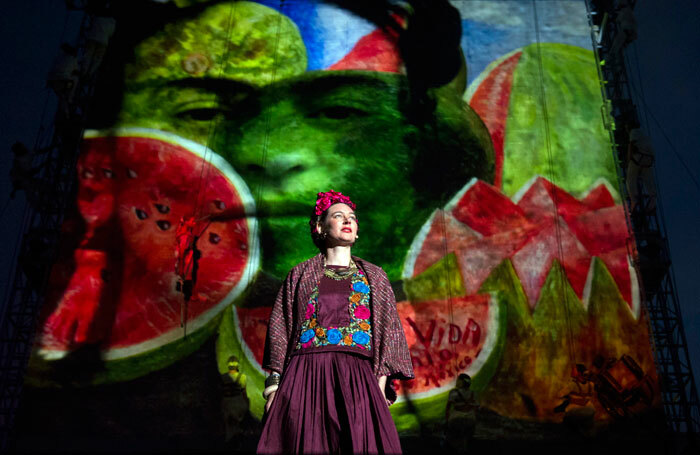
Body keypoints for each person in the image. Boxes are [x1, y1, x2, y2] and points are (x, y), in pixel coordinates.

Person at [256, 190, 414, 454]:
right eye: (338, 215)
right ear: (320, 226)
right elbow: (280, 329)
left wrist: (378, 387)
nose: (347, 220)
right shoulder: (299, 274)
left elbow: (389, 332)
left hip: (356, 376)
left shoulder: (374, 276)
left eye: (352, 217)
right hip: (305, 375)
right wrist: (273, 389)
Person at [444, 373, 478, 451]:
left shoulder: (453, 393)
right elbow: (475, 407)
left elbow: (448, 407)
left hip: (456, 419)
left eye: (458, 380)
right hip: (470, 419)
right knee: (466, 438)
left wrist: (447, 420)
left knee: (453, 439)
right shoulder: (473, 393)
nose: (456, 382)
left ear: (462, 382)